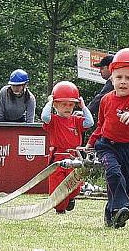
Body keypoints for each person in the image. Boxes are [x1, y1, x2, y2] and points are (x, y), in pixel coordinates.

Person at [86, 48, 129, 228]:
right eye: (119, 77)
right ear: (111, 77)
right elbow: (100, 125)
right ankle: (123, 206)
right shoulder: (106, 100)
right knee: (113, 174)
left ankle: (112, 214)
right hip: (107, 146)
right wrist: (91, 143)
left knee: (126, 183)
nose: (123, 82)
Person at [41, 81, 94, 214]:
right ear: (56, 105)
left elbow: (90, 122)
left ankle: (70, 198)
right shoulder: (53, 120)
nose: (67, 107)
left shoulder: (76, 120)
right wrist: (50, 101)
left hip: (74, 158)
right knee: (57, 186)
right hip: (58, 159)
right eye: (63, 104)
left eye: (71, 104)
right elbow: (44, 117)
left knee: (75, 185)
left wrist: (83, 106)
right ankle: (60, 209)